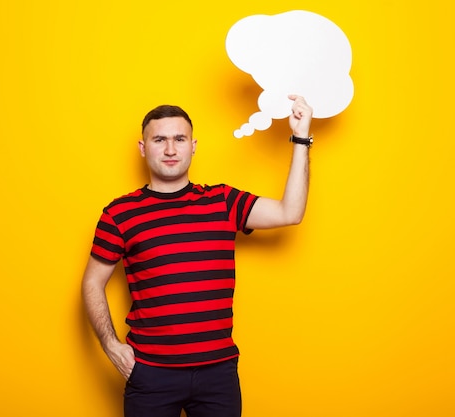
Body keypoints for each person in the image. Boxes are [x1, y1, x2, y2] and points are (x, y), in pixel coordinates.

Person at [82, 95, 313, 417]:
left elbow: (290, 212)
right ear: (143, 147)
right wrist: (112, 347)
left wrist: (301, 137)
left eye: (179, 139)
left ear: (193, 145)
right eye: (159, 139)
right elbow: (92, 282)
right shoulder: (120, 213)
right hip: (150, 373)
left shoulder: (222, 201)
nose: (171, 149)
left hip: (218, 373)